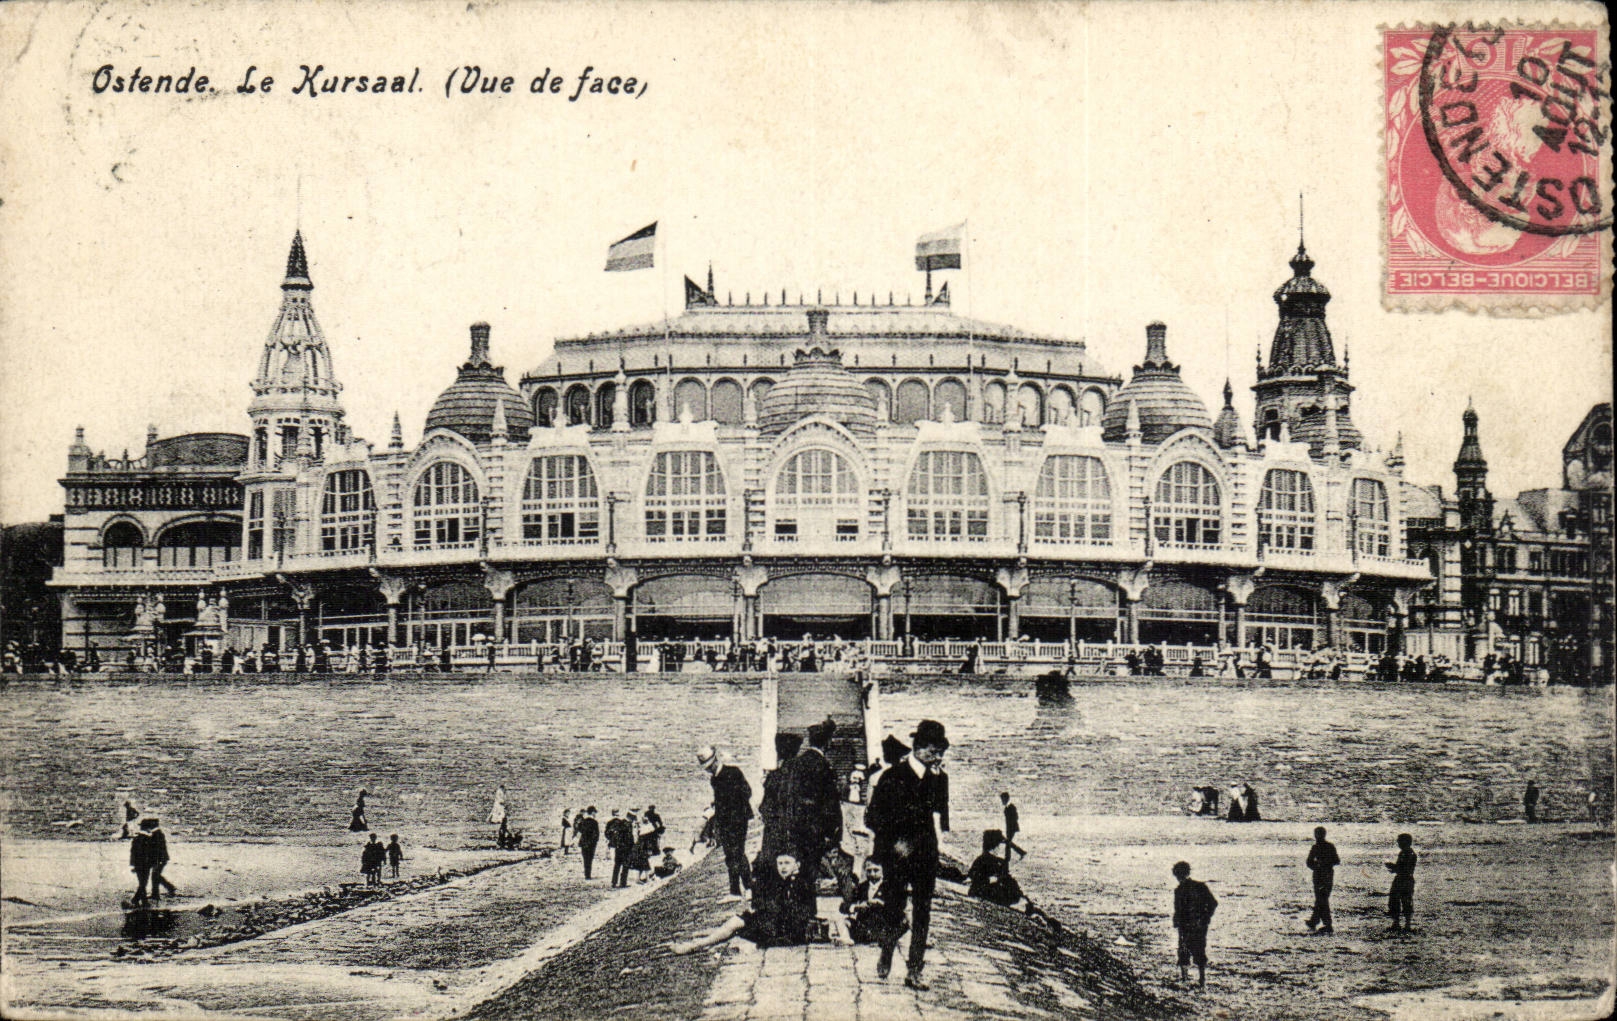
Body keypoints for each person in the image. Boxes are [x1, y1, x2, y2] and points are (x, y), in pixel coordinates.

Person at [864, 719, 951, 989]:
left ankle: (914, 970)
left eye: (940, 753)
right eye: (934, 752)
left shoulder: (939, 778)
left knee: (923, 912)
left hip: (925, 854)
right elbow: (874, 819)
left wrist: (936, 780)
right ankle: (887, 951)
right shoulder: (892, 776)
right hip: (897, 854)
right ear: (919, 748)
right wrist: (884, 852)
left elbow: (940, 814)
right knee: (894, 909)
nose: (938, 758)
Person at [670, 851, 816, 955]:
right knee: (736, 921)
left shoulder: (803, 884)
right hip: (777, 924)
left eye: (787, 863)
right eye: (780, 863)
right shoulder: (782, 882)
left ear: (797, 864)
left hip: (788, 931)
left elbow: (806, 912)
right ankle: (697, 944)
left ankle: (696, 945)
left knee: (736, 928)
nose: (783, 867)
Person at [775, 718, 843, 909]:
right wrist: (833, 832)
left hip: (796, 827)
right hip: (817, 830)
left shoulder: (796, 764)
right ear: (828, 742)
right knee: (812, 872)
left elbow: (785, 796)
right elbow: (830, 805)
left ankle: (801, 912)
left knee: (799, 870)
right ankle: (808, 913)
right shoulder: (823, 766)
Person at [699, 745, 755, 899]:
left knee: (738, 852)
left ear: (716, 760)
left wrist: (731, 806)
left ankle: (749, 887)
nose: (708, 770)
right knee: (730, 855)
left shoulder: (733, 772)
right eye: (707, 768)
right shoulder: (714, 779)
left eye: (710, 767)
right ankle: (735, 891)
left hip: (738, 819)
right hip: (725, 822)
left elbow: (747, 791)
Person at [1171, 861, 1218, 989]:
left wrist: (1204, 919)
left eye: (1179, 875)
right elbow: (1213, 903)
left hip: (1194, 926)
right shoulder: (1194, 887)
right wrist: (1205, 918)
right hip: (1191, 926)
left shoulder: (1190, 888)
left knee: (1190, 950)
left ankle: (1193, 979)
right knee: (1192, 949)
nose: (1179, 878)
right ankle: (1195, 979)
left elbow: (1212, 903)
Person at [841, 859, 908, 946]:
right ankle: (848, 938)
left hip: (884, 925)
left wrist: (882, 904)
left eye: (876, 870)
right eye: (869, 871)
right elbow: (843, 906)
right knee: (844, 921)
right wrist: (857, 907)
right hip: (864, 926)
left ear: (883, 871)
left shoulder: (892, 887)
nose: (872, 874)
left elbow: (901, 906)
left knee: (904, 921)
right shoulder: (861, 888)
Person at [966, 830, 1023, 906]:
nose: (1000, 848)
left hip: (978, 891)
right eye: (999, 845)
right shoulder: (995, 861)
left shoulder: (980, 859)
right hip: (986, 892)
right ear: (995, 846)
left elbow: (971, 875)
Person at [1304, 826, 1339, 934]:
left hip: (1323, 875)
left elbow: (1336, 861)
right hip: (1323, 875)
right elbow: (1309, 862)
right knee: (1321, 898)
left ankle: (1327, 924)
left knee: (1321, 899)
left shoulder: (1317, 847)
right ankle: (1315, 921)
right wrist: (1318, 866)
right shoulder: (1327, 846)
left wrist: (1320, 865)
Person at [1385, 833, 1417, 932]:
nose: (1398, 843)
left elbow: (1405, 869)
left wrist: (1393, 867)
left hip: (1404, 879)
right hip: (1403, 879)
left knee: (1404, 901)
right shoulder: (1405, 853)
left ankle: (1403, 924)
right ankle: (1400, 923)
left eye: (1400, 841)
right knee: (1396, 900)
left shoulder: (1408, 854)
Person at [605, 809, 633, 888]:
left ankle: (614, 882)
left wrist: (614, 842)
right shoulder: (628, 825)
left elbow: (610, 832)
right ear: (631, 817)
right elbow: (630, 838)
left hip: (618, 847)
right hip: (626, 848)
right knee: (625, 866)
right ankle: (623, 883)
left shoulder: (619, 823)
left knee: (617, 865)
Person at [128, 822, 154, 905]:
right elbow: (149, 854)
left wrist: (133, 864)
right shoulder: (148, 839)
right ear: (147, 829)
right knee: (143, 883)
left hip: (138, 864)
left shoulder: (136, 839)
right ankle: (138, 900)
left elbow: (133, 853)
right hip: (145, 864)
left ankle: (142, 900)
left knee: (142, 883)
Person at [1000, 791, 1027, 862]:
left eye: (1002, 799)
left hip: (1012, 828)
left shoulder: (1011, 807)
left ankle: (1007, 858)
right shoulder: (1007, 808)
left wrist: (1011, 826)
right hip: (1009, 828)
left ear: (1006, 799)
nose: (1002, 801)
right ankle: (1021, 852)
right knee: (1008, 842)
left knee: (1008, 843)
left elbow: (1016, 817)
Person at [575, 806, 601, 880]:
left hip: (584, 843)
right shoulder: (594, 822)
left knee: (585, 858)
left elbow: (579, 831)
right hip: (591, 843)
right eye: (595, 812)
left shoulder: (583, 821)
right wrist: (595, 841)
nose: (595, 814)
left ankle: (587, 874)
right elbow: (597, 834)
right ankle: (588, 874)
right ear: (592, 812)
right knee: (590, 858)